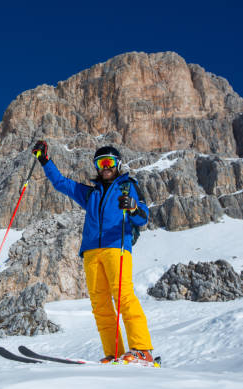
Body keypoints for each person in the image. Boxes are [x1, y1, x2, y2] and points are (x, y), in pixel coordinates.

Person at [32, 140, 154, 363]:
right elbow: (61, 184)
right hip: (91, 253)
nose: (105, 167)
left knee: (123, 297)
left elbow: (143, 217)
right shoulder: (91, 194)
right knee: (100, 305)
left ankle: (142, 350)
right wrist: (44, 160)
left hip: (116, 248)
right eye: (100, 162)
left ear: (117, 164)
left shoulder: (128, 186)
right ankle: (114, 353)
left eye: (109, 162)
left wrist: (133, 207)